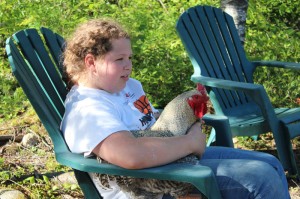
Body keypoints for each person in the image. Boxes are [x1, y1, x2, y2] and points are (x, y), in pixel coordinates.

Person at [60, 18, 291, 199]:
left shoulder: (125, 87)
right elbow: (131, 155)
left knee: (270, 163)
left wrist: (181, 121)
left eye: (129, 58)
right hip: (151, 187)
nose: (128, 66)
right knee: (260, 178)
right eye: (119, 59)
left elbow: (150, 122)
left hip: (170, 161)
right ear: (91, 62)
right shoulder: (87, 109)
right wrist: (189, 142)